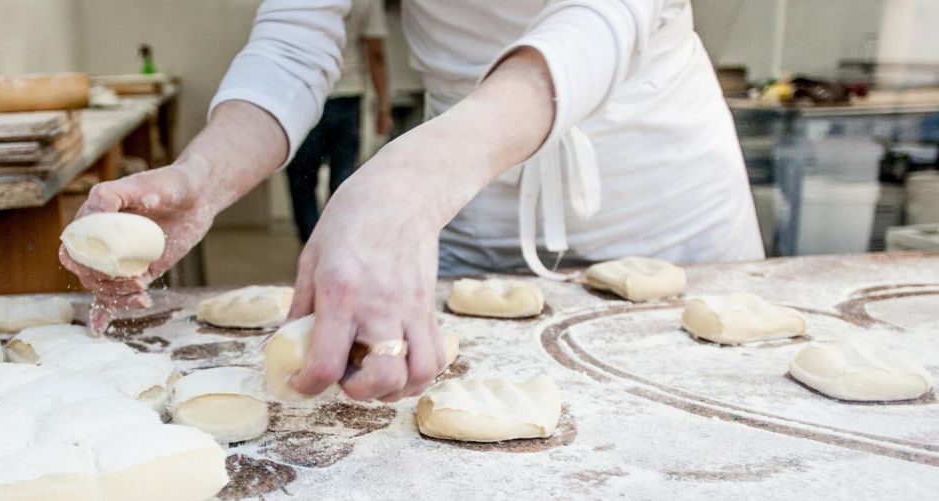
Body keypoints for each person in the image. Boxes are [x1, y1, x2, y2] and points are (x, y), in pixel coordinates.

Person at [61, 0, 763, 405]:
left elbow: (606, 16)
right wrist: (204, 175)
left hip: (658, 200)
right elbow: (294, 45)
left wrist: (412, 180)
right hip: (466, 210)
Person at [285, 0, 392, 242]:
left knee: (302, 181)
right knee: (342, 181)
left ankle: (311, 246)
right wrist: (383, 107)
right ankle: (337, 246)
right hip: (347, 97)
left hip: (306, 96)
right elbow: (376, 53)